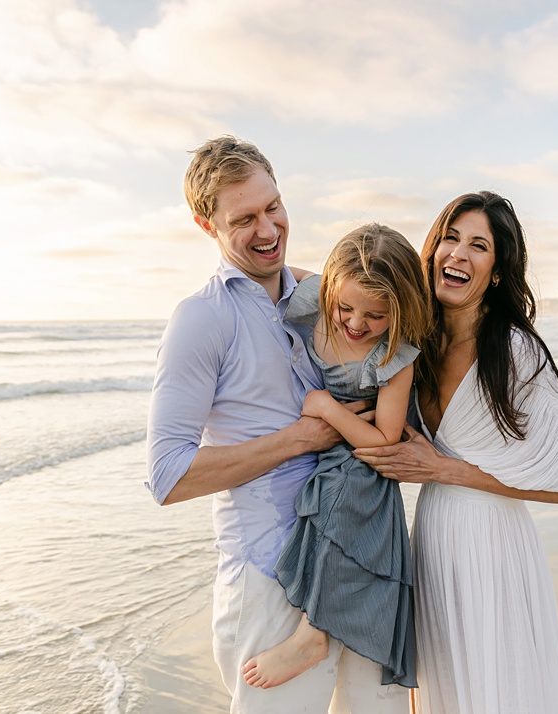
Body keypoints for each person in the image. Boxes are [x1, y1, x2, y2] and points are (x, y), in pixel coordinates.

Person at [146, 136, 409, 714]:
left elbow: (396, 345)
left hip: (361, 558)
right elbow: (168, 476)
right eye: (245, 219)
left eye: (274, 207)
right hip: (272, 577)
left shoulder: (326, 294)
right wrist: (304, 438)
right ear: (205, 224)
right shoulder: (201, 319)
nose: (267, 230)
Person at [355, 191, 558, 714]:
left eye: (478, 246)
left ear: (499, 271)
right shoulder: (417, 343)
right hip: (435, 542)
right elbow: (341, 283)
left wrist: (443, 469)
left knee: (499, 689)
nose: (458, 254)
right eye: (450, 238)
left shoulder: (514, 351)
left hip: (494, 547)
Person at [241, 224, 427, 691]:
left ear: (399, 311)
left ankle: (312, 634)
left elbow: (384, 440)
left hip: (365, 464)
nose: (356, 323)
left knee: (347, 485)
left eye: (376, 314)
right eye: (346, 307)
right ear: (330, 291)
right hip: (324, 452)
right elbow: (279, 275)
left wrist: (325, 407)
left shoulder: (394, 356)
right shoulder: (317, 302)